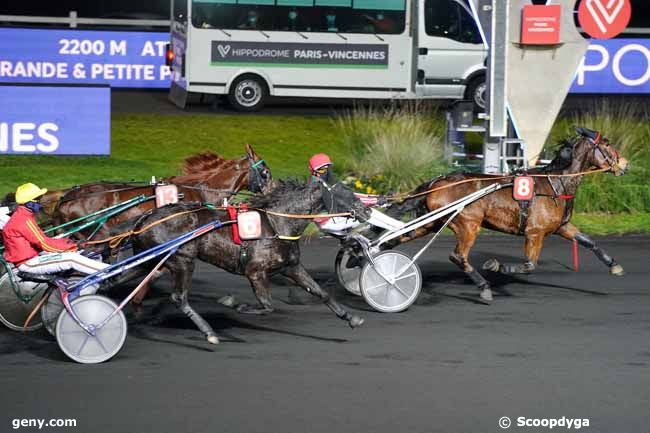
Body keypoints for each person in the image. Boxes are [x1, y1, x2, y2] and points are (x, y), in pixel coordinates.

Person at [2, 183, 108, 293]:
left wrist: (69, 243)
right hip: (28, 264)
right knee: (71, 259)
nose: (40, 202)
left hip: (33, 257)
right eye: (37, 199)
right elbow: (44, 244)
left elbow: (44, 240)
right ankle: (110, 271)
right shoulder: (23, 220)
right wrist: (71, 247)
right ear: (28, 203)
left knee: (80, 253)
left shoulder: (24, 216)